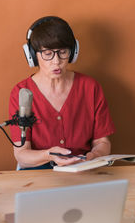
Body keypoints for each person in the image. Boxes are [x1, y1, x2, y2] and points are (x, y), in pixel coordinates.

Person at [9, 16, 115, 170]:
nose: (56, 61)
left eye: (62, 52)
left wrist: (92, 157)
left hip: (83, 169)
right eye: (47, 53)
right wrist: (48, 155)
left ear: (73, 52)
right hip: (38, 173)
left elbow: (102, 143)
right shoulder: (21, 92)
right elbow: (21, 154)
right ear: (33, 56)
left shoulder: (91, 87)